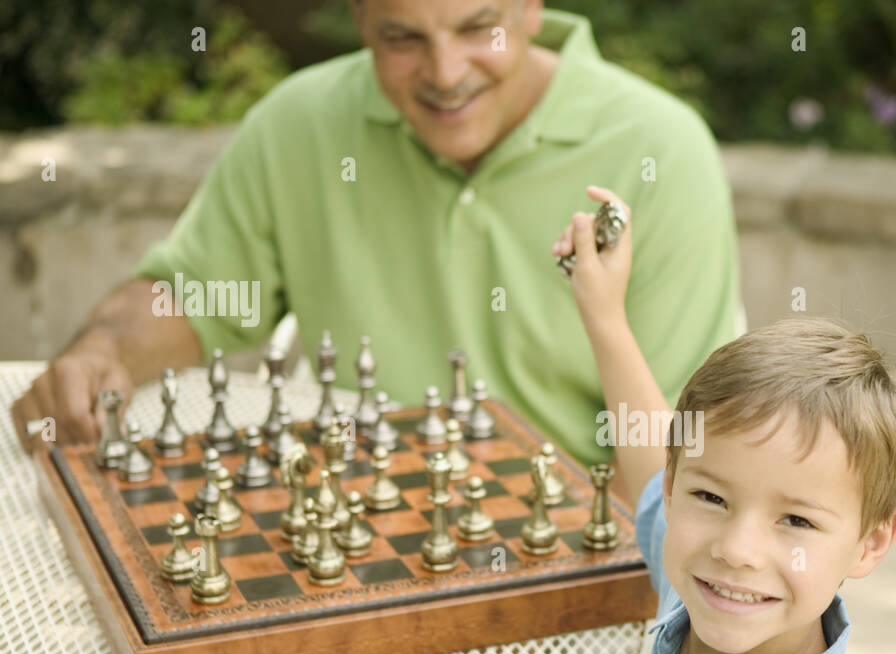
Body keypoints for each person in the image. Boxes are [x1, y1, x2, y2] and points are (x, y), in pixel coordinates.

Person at [10, 0, 741, 505]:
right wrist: (102, 351)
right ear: (359, 18)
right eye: (403, 38)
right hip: (352, 551)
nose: (447, 72)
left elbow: (682, 457)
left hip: (577, 577)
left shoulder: (662, 152)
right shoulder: (298, 125)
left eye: (476, 27)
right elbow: (191, 298)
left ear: (530, 8)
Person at [554, 188, 896, 654]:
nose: (737, 550)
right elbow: (649, 451)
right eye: (713, 498)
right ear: (676, 488)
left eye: (796, 520)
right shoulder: (702, 588)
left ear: (871, 541)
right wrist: (604, 312)